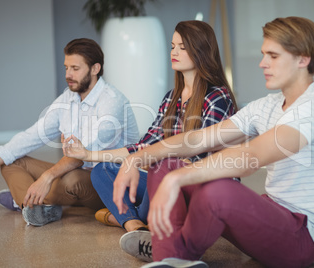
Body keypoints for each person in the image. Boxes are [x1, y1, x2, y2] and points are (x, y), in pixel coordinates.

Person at [113, 17, 314, 268]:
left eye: (273, 56)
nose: (262, 63)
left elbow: (251, 157)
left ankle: (176, 252)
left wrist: (179, 179)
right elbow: (198, 140)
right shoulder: (267, 105)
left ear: (303, 59)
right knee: (164, 165)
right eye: (263, 54)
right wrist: (135, 158)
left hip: (302, 238)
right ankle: (170, 256)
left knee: (218, 190)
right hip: (271, 216)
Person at [62, 20, 238, 243]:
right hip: (165, 180)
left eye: (182, 47)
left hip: (200, 187)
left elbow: (200, 155)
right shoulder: (171, 98)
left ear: (201, 51)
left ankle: (126, 218)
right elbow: (143, 147)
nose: (174, 52)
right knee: (102, 170)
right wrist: (87, 154)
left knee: (162, 169)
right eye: (173, 46)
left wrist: (150, 160)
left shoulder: (217, 97)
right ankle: (135, 225)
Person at [0, 38, 139, 227]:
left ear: (95, 69)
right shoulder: (68, 98)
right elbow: (32, 135)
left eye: (75, 69)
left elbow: (82, 155)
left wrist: (46, 177)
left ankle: (26, 200)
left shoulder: (113, 102)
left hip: (108, 183)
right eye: (66, 67)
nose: (68, 74)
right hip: (75, 172)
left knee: (72, 179)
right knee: (12, 162)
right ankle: (39, 204)